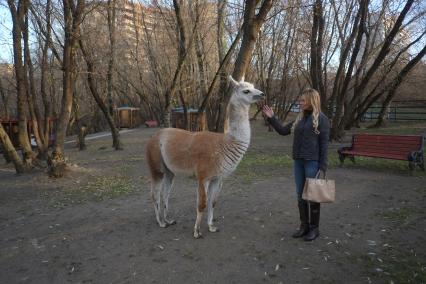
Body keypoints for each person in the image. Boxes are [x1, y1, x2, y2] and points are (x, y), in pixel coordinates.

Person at [262, 89, 330, 241]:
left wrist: (323, 167)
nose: (300, 103)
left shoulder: (322, 119)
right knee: (300, 195)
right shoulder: (299, 119)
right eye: (300, 101)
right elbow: (283, 131)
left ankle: (314, 229)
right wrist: (272, 118)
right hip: (298, 162)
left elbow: (324, 144)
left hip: (313, 162)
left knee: (313, 196)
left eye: (303, 101)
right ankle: (304, 226)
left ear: (312, 101)